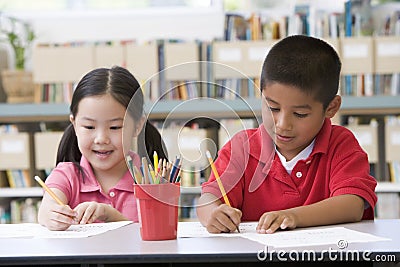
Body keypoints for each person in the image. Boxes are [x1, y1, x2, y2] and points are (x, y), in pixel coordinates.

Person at [197, 35, 377, 234]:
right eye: (272, 108)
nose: (282, 125)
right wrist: (213, 213)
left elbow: (352, 205)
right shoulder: (242, 148)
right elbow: (208, 199)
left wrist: (293, 216)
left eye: (300, 114)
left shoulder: (341, 144)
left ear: (331, 108)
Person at [37, 66, 167, 230]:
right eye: (89, 127)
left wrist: (110, 215)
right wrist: (51, 215)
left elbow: (157, 232)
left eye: (115, 127)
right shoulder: (66, 176)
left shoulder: (151, 178)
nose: (101, 139)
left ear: (137, 126)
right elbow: (46, 210)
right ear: (75, 125)